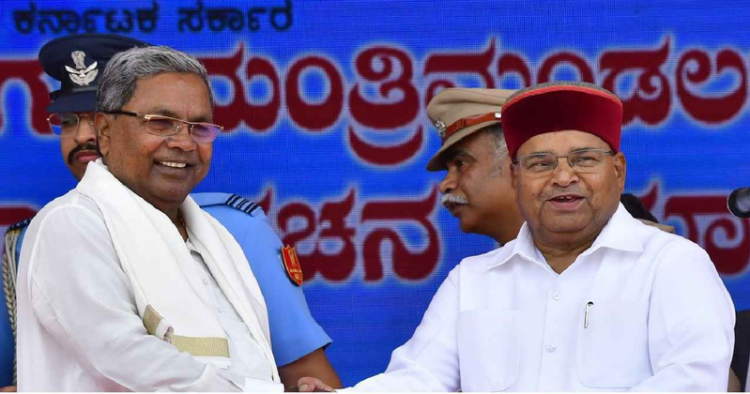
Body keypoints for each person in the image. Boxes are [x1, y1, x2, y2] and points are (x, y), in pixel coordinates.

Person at [300, 81, 735, 391]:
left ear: (617, 171)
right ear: (516, 177)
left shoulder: (672, 264)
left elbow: (692, 383)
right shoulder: (473, 279)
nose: (564, 177)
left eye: (584, 159)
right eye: (541, 163)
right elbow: (419, 378)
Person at [3, 34, 340, 391]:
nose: (182, 142)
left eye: (198, 127)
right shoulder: (68, 225)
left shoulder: (220, 235)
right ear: (108, 130)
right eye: (160, 122)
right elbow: (129, 361)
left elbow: (258, 364)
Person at [427, 88, 524, 246]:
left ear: (517, 164)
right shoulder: (473, 271)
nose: (445, 185)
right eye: (448, 169)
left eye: (460, 163)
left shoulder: (573, 266)